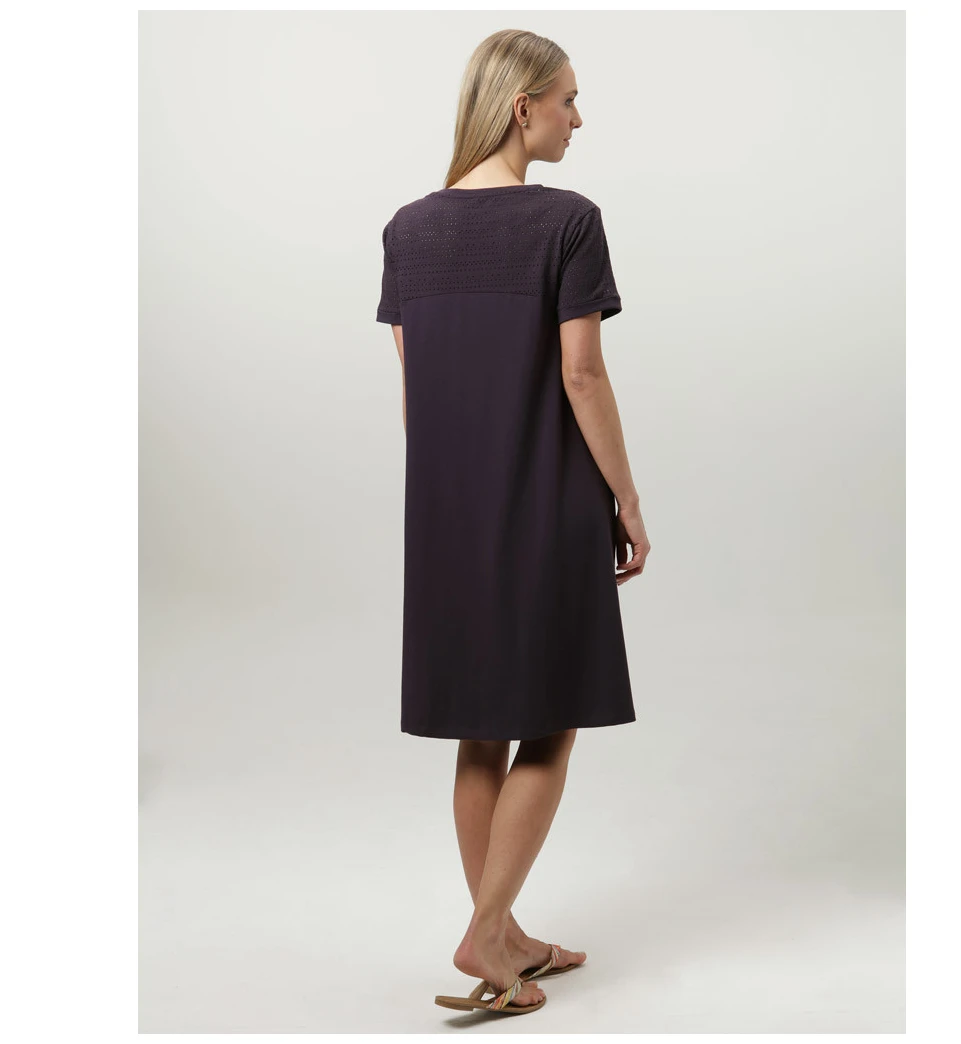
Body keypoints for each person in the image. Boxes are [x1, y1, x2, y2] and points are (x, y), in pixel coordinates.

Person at [376, 29, 651, 1015]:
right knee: (549, 719)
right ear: (522, 106)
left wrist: (451, 498)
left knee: (479, 729)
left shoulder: (407, 230)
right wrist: (625, 497)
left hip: (447, 512)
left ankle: (505, 932)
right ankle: (486, 932)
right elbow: (583, 374)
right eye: (568, 99)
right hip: (545, 501)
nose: (579, 118)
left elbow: (416, 387)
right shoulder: (567, 221)